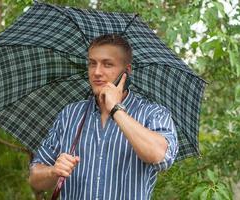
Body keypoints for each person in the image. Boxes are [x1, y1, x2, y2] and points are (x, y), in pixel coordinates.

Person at [29, 34, 178, 200]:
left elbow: (160, 156)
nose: (97, 72)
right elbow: (35, 178)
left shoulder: (153, 113)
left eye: (107, 64)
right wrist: (53, 171)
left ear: (126, 71)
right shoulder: (70, 114)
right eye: (92, 63)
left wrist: (116, 109)